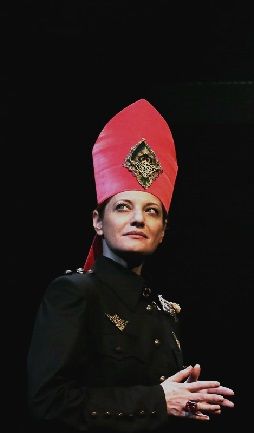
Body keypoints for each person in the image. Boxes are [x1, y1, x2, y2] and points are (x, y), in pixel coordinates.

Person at [26, 99, 235, 432]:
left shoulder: (165, 311)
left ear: (163, 231)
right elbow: (48, 402)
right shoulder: (74, 293)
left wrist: (186, 400)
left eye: (151, 211)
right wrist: (158, 400)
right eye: (123, 207)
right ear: (98, 222)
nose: (138, 219)